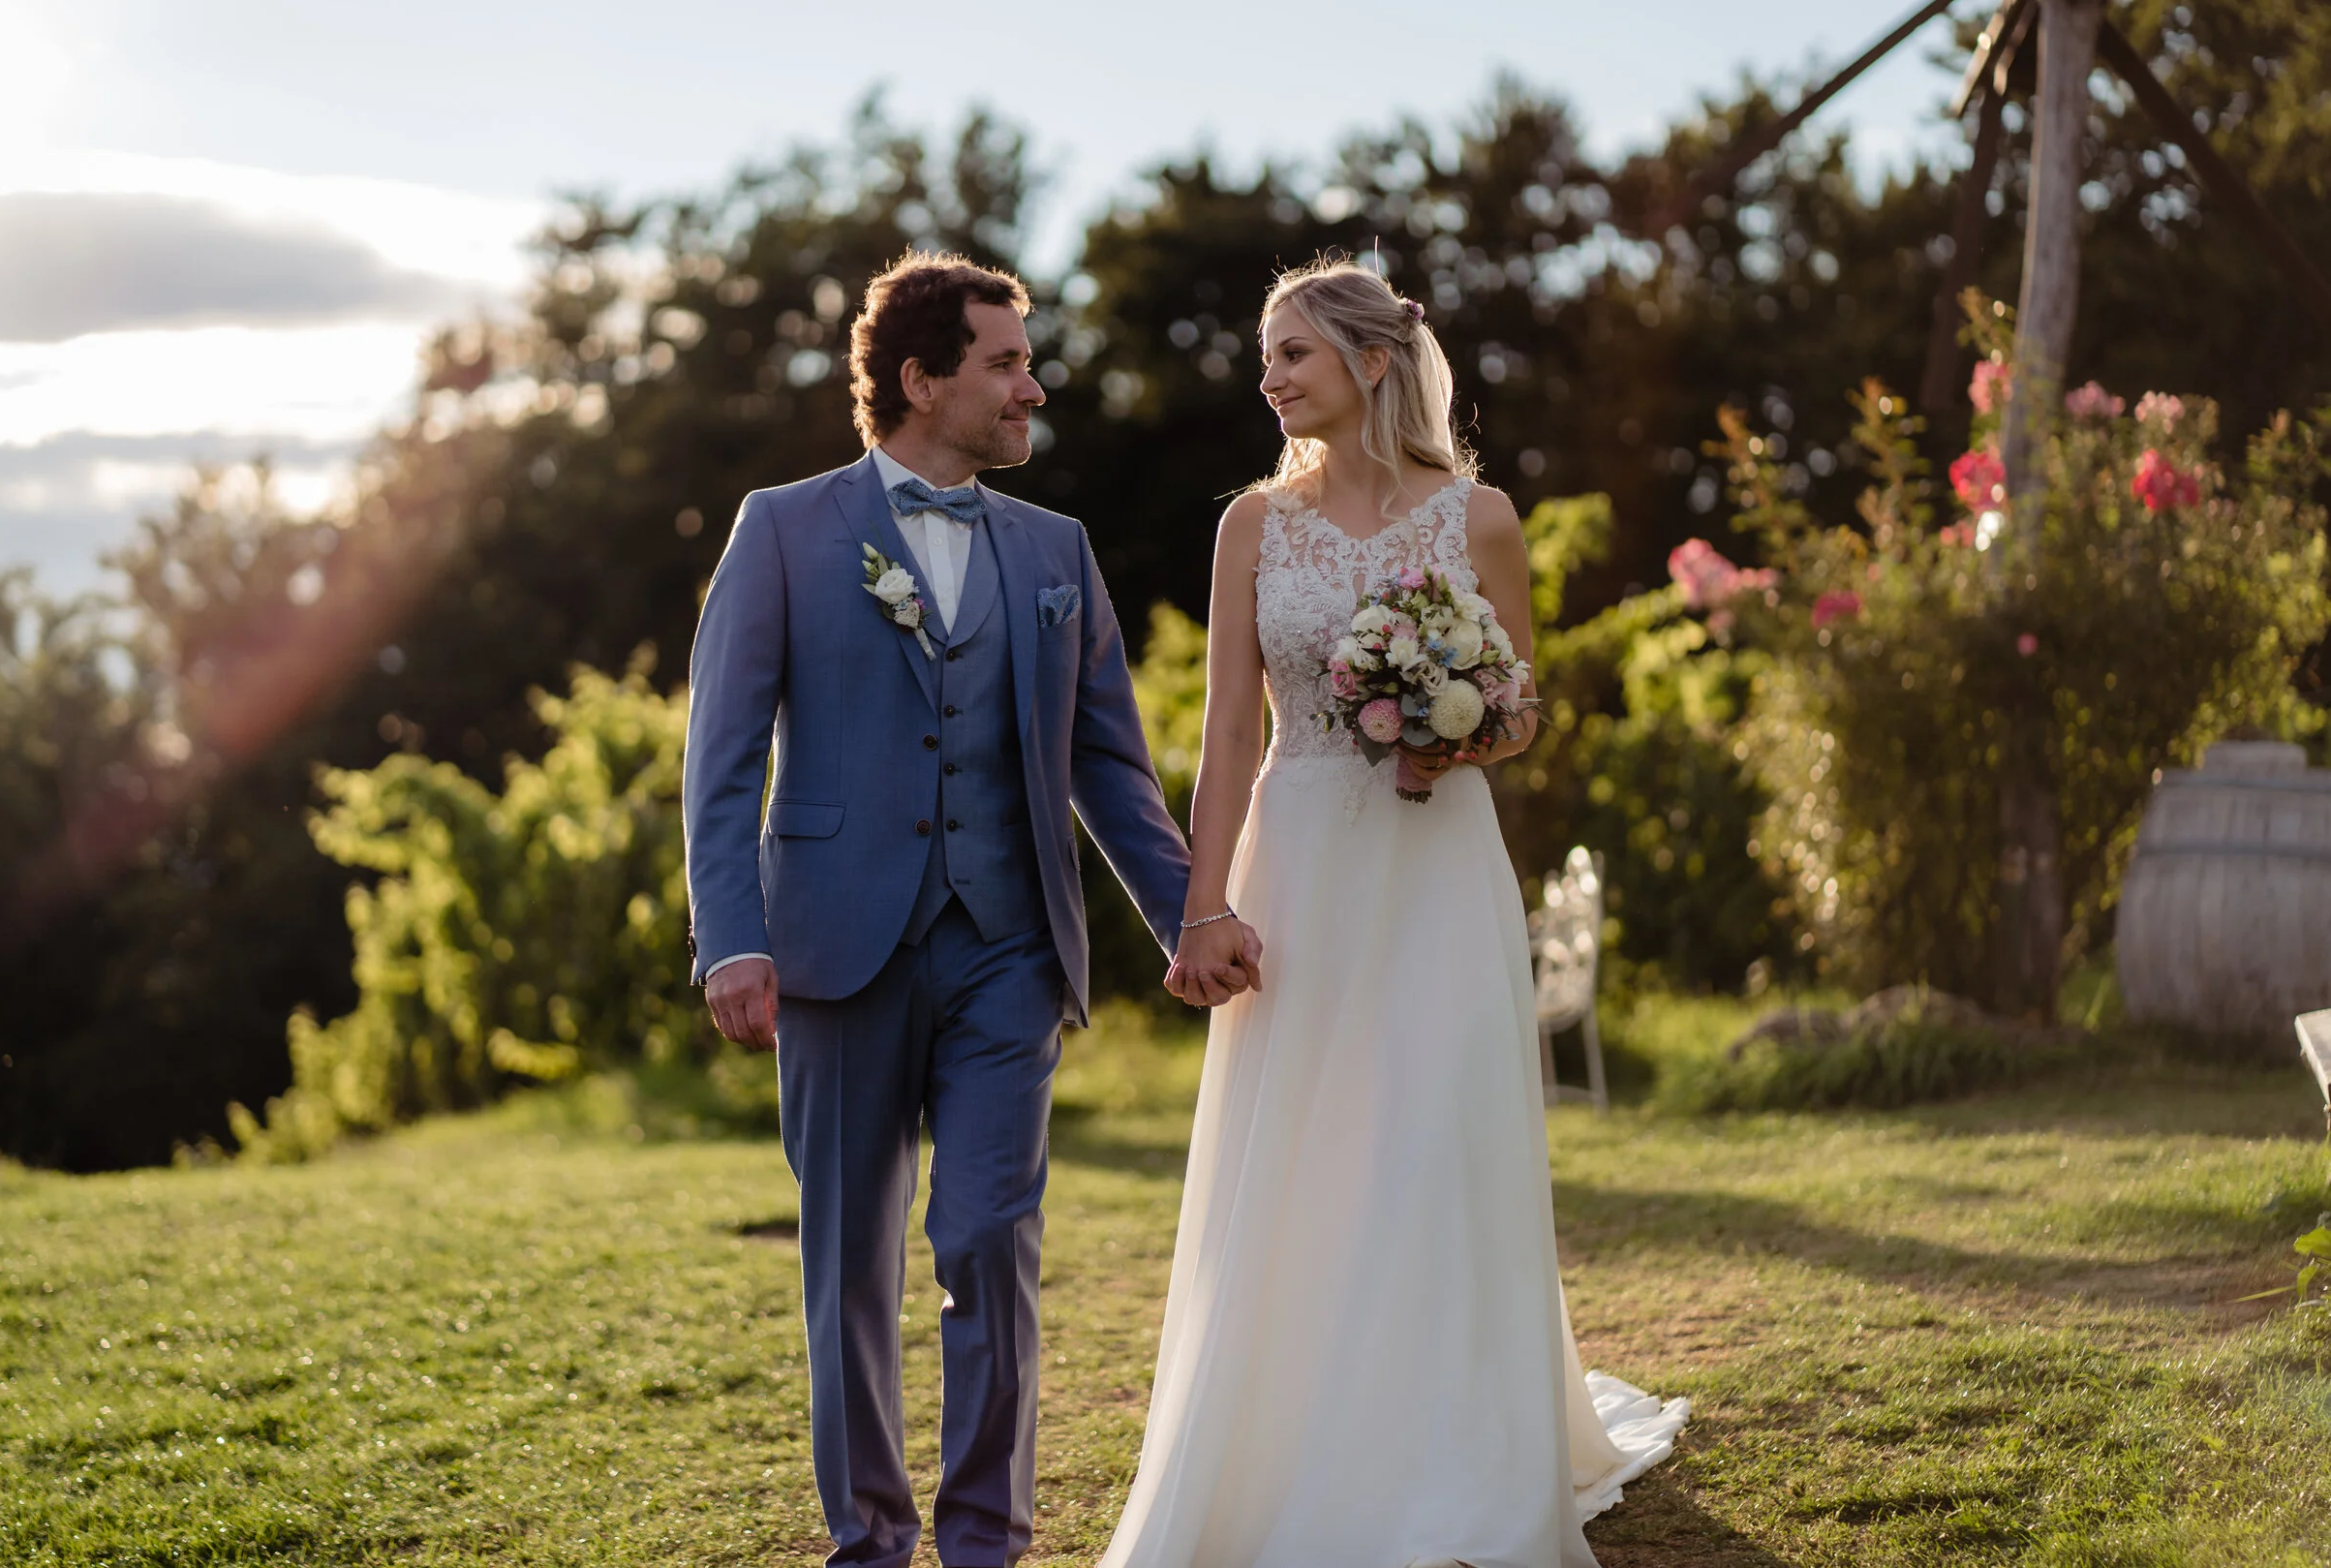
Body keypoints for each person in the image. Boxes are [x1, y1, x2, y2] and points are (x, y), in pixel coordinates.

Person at [680, 250, 1265, 1568]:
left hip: (1010, 947)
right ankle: (871, 1540)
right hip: (833, 950)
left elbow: (1109, 763)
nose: (1031, 389)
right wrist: (735, 936)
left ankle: (988, 1541)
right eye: (1005, 364)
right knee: (849, 1262)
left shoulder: (1056, 549)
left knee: (991, 1236)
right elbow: (718, 759)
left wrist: (1189, 915)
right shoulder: (783, 529)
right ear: (921, 379)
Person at [1101, 258, 1687, 1568]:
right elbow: (1230, 729)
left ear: (1372, 362)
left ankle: (1453, 1452)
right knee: (1305, 1145)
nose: (1269, 377)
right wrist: (1201, 907)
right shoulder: (1253, 525)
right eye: (1266, 356)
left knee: (1435, 1132)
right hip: (1300, 859)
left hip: (1437, 865)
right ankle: (1294, 1441)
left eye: (1292, 352)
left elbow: (1523, 709)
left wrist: (1453, 727)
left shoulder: (1480, 517)